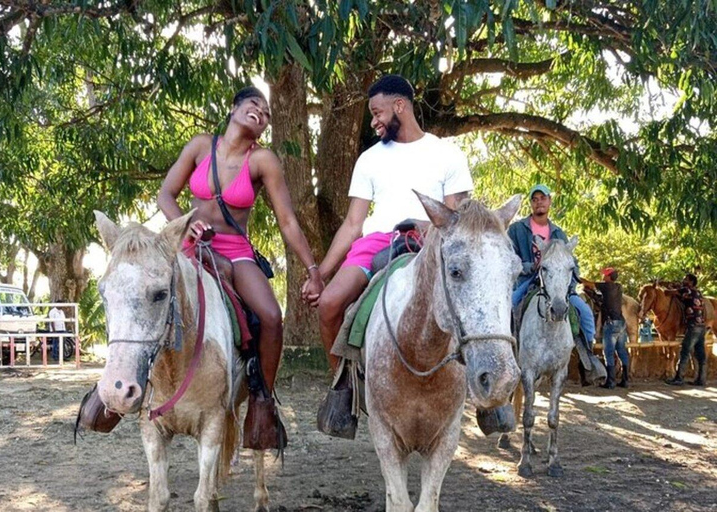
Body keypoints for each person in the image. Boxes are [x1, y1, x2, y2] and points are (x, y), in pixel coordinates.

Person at [157, 86, 324, 449]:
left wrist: (313, 269)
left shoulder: (263, 160)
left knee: (271, 316)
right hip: (189, 246)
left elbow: (288, 221)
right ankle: (115, 390)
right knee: (143, 291)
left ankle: (262, 402)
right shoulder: (201, 145)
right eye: (254, 104)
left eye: (266, 113)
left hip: (234, 251)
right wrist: (184, 224)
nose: (261, 112)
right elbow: (165, 194)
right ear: (233, 108)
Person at [303, 74, 474, 370]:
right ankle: (341, 386)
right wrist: (320, 274)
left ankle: (492, 392)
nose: (373, 122)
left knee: (477, 298)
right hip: (377, 242)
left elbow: (454, 220)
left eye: (377, 113)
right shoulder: (369, 159)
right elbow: (353, 224)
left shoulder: (448, 155)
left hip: (429, 244)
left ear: (399, 106)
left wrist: (425, 226)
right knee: (330, 304)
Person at [508, 184, 596, 345]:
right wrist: (527, 266)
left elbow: (572, 263)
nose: (539, 202)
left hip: (557, 283)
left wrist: (571, 285)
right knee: (508, 307)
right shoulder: (516, 229)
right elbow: (507, 257)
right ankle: (507, 352)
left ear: (550, 201)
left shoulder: (558, 233)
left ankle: (589, 355)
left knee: (586, 314)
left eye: (543, 198)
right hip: (527, 282)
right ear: (531, 204)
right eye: (534, 199)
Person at [581, 268, 629, 388]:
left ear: (608, 277)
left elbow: (589, 283)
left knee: (608, 352)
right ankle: (626, 380)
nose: (603, 277)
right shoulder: (618, 287)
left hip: (610, 323)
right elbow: (607, 300)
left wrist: (577, 277)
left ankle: (611, 381)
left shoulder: (607, 286)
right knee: (622, 351)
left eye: (604, 275)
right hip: (621, 322)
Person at [664, 273, 707, 386]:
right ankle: (701, 379)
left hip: (693, 327)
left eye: (686, 279)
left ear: (691, 282)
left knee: (685, 352)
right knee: (700, 354)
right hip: (702, 326)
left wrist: (670, 287)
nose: (683, 280)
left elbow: (667, 293)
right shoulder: (698, 292)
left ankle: (679, 378)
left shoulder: (686, 291)